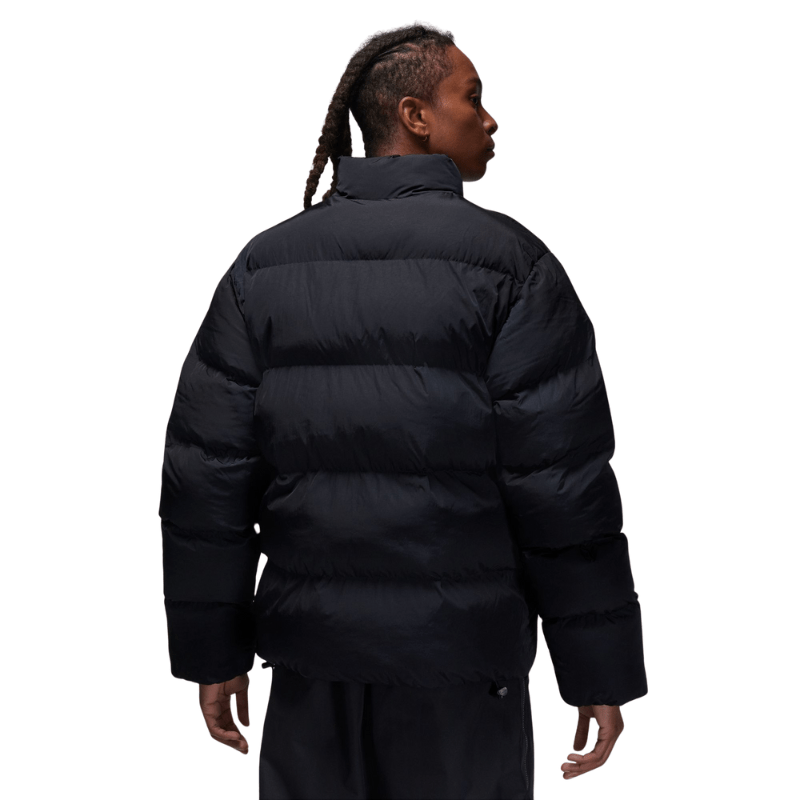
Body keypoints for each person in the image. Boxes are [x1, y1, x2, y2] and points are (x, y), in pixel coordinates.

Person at [158, 22, 648, 800]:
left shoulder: (265, 268)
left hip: (312, 673)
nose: (489, 119)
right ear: (416, 115)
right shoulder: (514, 268)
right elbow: (562, 489)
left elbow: (206, 481)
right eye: (472, 98)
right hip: (463, 681)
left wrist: (212, 653)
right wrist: (598, 669)